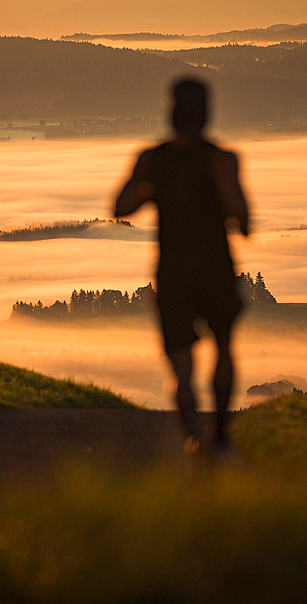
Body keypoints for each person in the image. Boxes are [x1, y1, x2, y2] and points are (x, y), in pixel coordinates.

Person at [113, 78, 250, 457]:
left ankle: (193, 434)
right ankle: (219, 433)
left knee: (181, 363)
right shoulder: (222, 159)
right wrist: (237, 221)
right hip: (215, 268)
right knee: (223, 346)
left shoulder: (152, 159)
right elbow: (242, 214)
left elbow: (119, 207)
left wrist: (151, 189)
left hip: (173, 271)